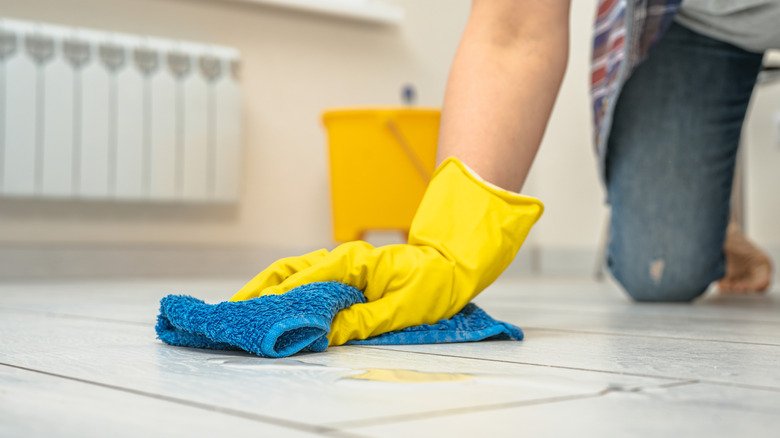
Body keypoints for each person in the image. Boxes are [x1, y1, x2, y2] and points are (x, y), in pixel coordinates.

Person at [231, 1, 775, 345]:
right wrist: (447, 251)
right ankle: (712, 230)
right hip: (697, 20)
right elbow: (515, 28)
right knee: (662, 273)